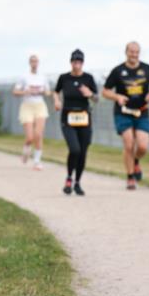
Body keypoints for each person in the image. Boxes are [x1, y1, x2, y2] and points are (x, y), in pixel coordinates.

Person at [103, 41, 149, 190]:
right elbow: (105, 91)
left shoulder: (147, 69)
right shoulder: (117, 71)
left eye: (136, 52)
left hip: (142, 112)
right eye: (131, 52)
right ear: (126, 52)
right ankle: (130, 177)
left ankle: (135, 161)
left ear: (139, 53)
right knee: (128, 144)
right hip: (123, 113)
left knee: (142, 146)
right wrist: (117, 97)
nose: (134, 55)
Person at [53, 49, 98, 195]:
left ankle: (77, 182)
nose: (76, 65)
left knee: (83, 151)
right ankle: (68, 178)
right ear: (71, 62)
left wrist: (89, 94)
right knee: (74, 149)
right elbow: (55, 91)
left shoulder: (88, 78)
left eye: (79, 62)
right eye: (74, 62)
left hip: (84, 118)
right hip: (68, 118)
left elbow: (96, 98)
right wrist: (57, 100)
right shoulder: (64, 78)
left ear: (82, 63)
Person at [13, 53, 51, 170]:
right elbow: (15, 92)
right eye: (32, 61)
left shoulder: (43, 77)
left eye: (36, 61)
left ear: (38, 63)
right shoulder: (24, 77)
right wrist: (26, 91)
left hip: (39, 105)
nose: (34, 64)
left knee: (38, 134)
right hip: (27, 106)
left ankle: (37, 161)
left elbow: (48, 92)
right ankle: (26, 149)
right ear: (30, 63)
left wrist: (41, 91)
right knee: (30, 137)